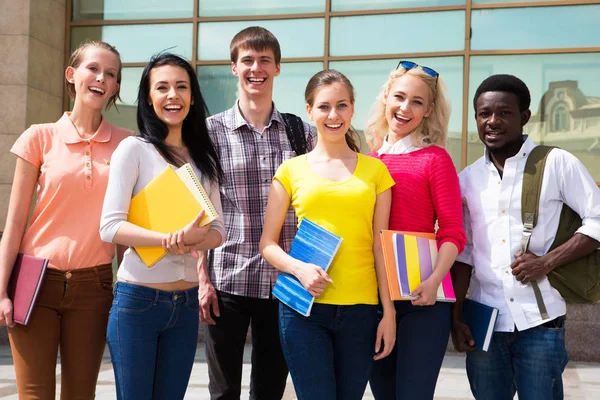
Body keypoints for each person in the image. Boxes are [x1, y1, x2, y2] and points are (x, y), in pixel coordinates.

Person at [450, 74, 600, 400]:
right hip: (484, 322)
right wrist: (456, 317)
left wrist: (547, 261)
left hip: (540, 321)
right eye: (484, 114)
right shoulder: (467, 179)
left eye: (504, 113)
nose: (492, 121)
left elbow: (597, 219)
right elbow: (464, 254)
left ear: (524, 117)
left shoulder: (556, 162)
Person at [0, 40, 132, 399]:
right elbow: (14, 223)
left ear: (116, 87)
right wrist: (1, 289)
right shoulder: (38, 137)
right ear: (71, 75)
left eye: (111, 74)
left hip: (96, 286)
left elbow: (127, 225)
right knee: (33, 393)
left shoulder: (128, 144)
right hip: (33, 280)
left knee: (80, 394)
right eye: (93, 68)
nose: (101, 78)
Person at [260, 68, 396, 400]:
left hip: (362, 310)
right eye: (323, 106)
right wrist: (298, 268)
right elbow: (267, 244)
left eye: (342, 105)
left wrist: (388, 313)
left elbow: (381, 247)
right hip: (303, 310)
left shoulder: (376, 171)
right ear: (309, 111)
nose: (333, 115)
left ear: (352, 109)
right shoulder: (291, 170)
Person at [99, 53, 226, 400]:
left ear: (193, 97)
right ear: (149, 97)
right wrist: (165, 239)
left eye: (181, 87)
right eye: (163, 87)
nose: (173, 95)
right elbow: (109, 227)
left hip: (185, 305)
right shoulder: (134, 150)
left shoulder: (204, 156)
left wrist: (199, 238)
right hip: (138, 301)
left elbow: (219, 230)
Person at [202, 26, 316, 400]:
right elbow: (200, 211)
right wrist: (202, 280)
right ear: (234, 68)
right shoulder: (209, 132)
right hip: (227, 281)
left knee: (269, 391)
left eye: (264, 60)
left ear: (277, 68)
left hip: (284, 283)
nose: (256, 68)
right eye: (247, 60)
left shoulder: (303, 134)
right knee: (223, 392)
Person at [366, 61, 467, 400]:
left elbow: (453, 231)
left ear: (428, 111)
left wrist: (435, 279)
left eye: (417, 102)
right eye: (399, 97)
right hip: (373, 299)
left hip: (421, 298)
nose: (405, 108)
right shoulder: (366, 162)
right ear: (385, 97)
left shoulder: (435, 159)